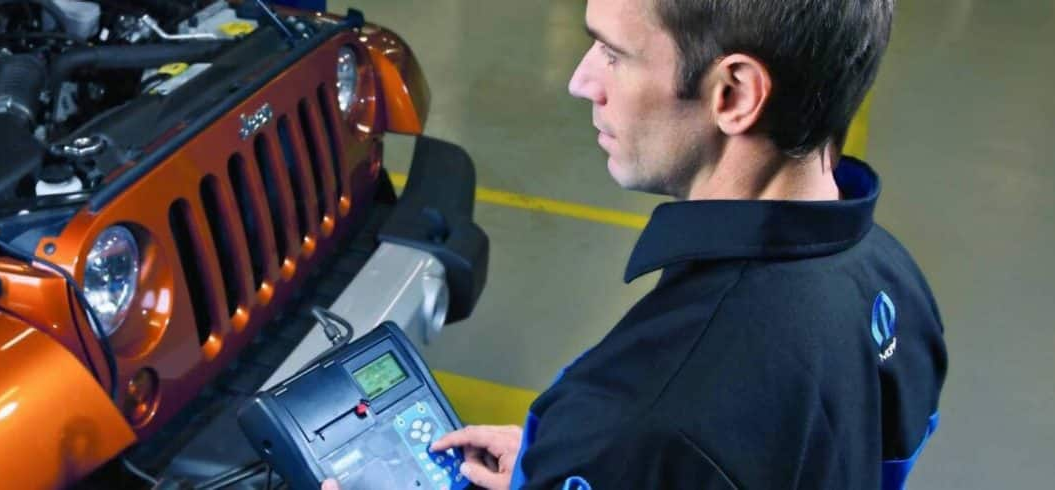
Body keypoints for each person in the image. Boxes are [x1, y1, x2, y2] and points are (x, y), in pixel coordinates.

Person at [327, 0, 947, 488]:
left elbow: (672, 437)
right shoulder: (894, 283)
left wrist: (613, 457)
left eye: (613, 52)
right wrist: (572, 464)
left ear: (733, 94)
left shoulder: (652, 412)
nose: (580, 80)